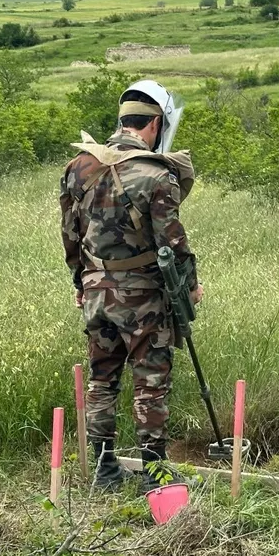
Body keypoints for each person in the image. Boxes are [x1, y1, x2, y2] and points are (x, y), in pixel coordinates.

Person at [60, 81, 202, 491]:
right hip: (142, 295)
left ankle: (104, 470)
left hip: (95, 289)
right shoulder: (157, 174)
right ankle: (154, 471)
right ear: (155, 124)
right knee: (150, 380)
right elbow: (172, 242)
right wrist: (189, 285)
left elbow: (70, 235)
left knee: (102, 378)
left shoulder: (77, 168)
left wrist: (81, 282)